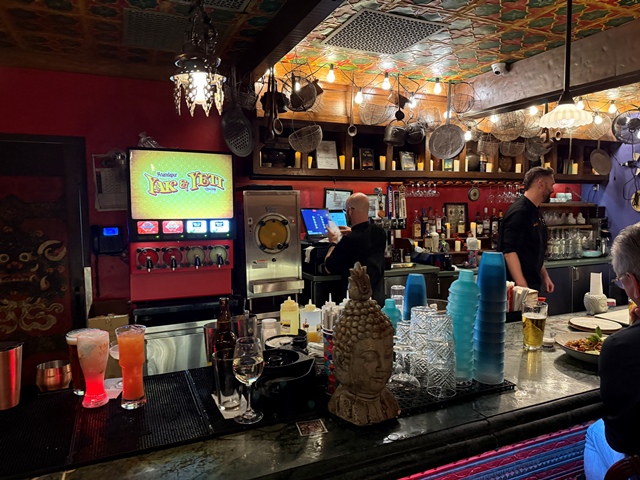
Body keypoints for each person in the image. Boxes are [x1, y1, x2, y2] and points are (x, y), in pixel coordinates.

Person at [584, 222, 640, 479]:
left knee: (594, 432)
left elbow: (621, 439)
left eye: (621, 281)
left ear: (633, 282)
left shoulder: (619, 347)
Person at [497, 166, 555, 294]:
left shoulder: (534, 211)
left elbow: (534, 249)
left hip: (531, 284)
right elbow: (509, 252)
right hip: (516, 290)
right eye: (551, 185)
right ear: (541, 184)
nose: (552, 189)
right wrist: (523, 287)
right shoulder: (520, 212)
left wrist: (545, 276)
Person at [324, 192, 387, 306]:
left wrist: (333, 242)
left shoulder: (349, 240)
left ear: (350, 211)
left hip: (356, 304)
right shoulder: (380, 232)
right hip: (377, 300)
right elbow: (364, 238)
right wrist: (352, 231)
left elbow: (329, 267)